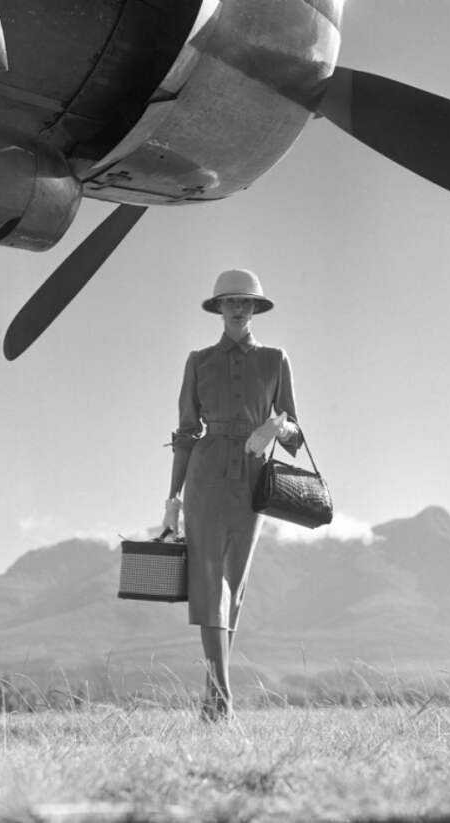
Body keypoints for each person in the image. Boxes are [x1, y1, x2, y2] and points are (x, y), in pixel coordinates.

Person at [162, 268, 303, 721]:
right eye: (230, 301)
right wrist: (172, 501)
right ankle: (221, 696)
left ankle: (212, 697)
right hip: (204, 473)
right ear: (218, 308)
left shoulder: (276, 359)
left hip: (254, 476)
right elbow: (186, 433)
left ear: (256, 308)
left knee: (233, 584)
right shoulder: (197, 360)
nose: (239, 308)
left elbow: (297, 437)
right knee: (207, 580)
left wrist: (276, 427)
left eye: (246, 302)